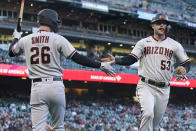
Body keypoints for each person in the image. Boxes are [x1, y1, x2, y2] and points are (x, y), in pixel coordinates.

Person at [8, 9, 115, 131]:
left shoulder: (26, 39)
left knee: (37, 128)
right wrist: (100, 65)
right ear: (52, 21)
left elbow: (11, 52)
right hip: (55, 85)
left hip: (37, 87)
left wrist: (16, 37)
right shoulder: (58, 38)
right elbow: (78, 58)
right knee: (58, 127)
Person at [102, 13, 191, 131]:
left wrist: (184, 69)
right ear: (153, 25)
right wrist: (116, 60)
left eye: (164, 23)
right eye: (159, 23)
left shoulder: (175, 45)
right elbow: (131, 59)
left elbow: (186, 62)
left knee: (155, 125)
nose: (162, 25)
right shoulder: (143, 42)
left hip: (164, 89)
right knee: (148, 114)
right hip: (146, 85)